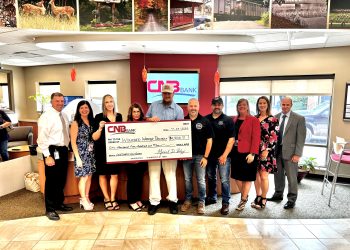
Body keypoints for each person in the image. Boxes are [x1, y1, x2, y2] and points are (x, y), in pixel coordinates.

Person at [146, 83, 184, 215]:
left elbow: (181, 130)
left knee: (170, 175)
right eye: (165, 93)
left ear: (173, 94)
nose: (167, 95)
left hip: (170, 148)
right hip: (153, 147)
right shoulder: (154, 105)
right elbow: (145, 120)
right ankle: (154, 202)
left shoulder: (178, 110)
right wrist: (150, 120)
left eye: (169, 93)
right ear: (162, 94)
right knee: (154, 175)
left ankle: (173, 201)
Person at [37, 92, 73, 221]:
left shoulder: (64, 115)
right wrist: (47, 155)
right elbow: (41, 138)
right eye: (57, 101)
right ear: (51, 102)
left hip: (63, 150)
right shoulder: (46, 117)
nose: (60, 103)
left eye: (62, 101)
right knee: (52, 181)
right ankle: (50, 209)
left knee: (61, 179)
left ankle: (59, 203)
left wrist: (68, 148)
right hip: (52, 151)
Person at [268, 96, 306, 209]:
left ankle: (291, 199)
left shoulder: (299, 118)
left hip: (291, 153)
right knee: (278, 175)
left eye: (287, 105)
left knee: (292, 178)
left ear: (291, 105)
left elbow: (301, 138)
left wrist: (298, 154)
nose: (285, 107)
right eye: (283, 104)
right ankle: (278, 194)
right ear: (281, 104)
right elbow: (273, 136)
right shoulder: (276, 117)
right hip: (277, 152)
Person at [181, 98, 214, 215]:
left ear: (198, 107)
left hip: (201, 157)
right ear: (187, 107)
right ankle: (188, 200)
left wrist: (206, 157)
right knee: (187, 179)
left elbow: (210, 140)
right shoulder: (182, 121)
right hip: (186, 157)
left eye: (195, 106)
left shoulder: (205, 121)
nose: (193, 108)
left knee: (201, 180)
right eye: (191, 106)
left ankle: (201, 201)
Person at [92, 94, 122, 211]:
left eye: (111, 101)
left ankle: (113, 198)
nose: (109, 104)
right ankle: (106, 198)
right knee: (103, 175)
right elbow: (94, 137)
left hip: (115, 151)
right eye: (107, 102)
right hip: (101, 151)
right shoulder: (98, 117)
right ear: (103, 104)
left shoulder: (119, 116)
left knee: (114, 174)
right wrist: (99, 128)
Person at [205, 97, 234, 215]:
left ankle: (226, 203)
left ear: (222, 106)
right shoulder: (206, 119)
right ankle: (212, 197)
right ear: (211, 105)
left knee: (225, 180)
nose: (217, 106)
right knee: (211, 177)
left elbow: (231, 140)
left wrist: (224, 155)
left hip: (224, 156)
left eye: (219, 104)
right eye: (215, 104)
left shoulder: (228, 120)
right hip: (209, 156)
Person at [231, 98, 261, 211]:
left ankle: (243, 199)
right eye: (239, 105)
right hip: (235, 152)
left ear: (248, 106)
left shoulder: (253, 120)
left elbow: (256, 138)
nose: (241, 106)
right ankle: (245, 196)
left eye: (244, 105)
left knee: (247, 178)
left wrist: (253, 153)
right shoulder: (234, 119)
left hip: (248, 153)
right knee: (237, 177)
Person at [251, 96, 279, 210]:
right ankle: (257, 196)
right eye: (260, 103)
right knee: (256, 175)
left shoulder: (273, 119)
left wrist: (267, 150)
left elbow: (274, 137)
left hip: (266, 151)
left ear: (267, 104)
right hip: (254, 150)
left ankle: (264, 198)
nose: (262, 105)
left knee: (263, 176)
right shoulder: (254, 118)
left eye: (264, 103)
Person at [70, 100, 96, 211]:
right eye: (82, 108)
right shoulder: (76, 123)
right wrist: (78, 158)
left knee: (89, 176)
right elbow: (73, 142)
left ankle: (87, 197)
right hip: (81, 153)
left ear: (89, 109)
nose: (84, 110)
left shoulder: (91, 121)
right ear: (78, 110)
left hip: (91, 152)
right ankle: (83, 199)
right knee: (84, 177)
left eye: (86, 107)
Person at [125, 103, 148, 211]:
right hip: (131, 160)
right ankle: (131, 201)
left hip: (142, 159)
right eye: (134, 111)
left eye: (138, 111)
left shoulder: (145, 124)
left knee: (139, 180)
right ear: (131, 113)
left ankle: (138, 199)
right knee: (132, 180)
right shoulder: (126, 125)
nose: (136, 113)